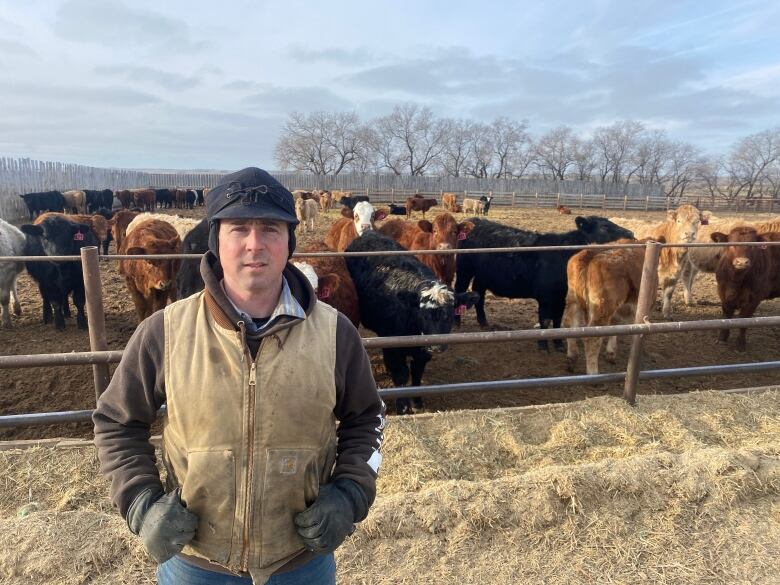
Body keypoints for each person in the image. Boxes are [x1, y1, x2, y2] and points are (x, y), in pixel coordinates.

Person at [93, 167, 385, 585]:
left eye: (270, 228)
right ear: (216, 240)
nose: (254, 244)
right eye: (238, 228)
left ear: (289, 243)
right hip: (196, 564)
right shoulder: (166, 330)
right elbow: (116, 421)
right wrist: (141, 502)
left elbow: (368, 419)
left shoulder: (336, 333)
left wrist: (351, 492)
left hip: (301, 563)